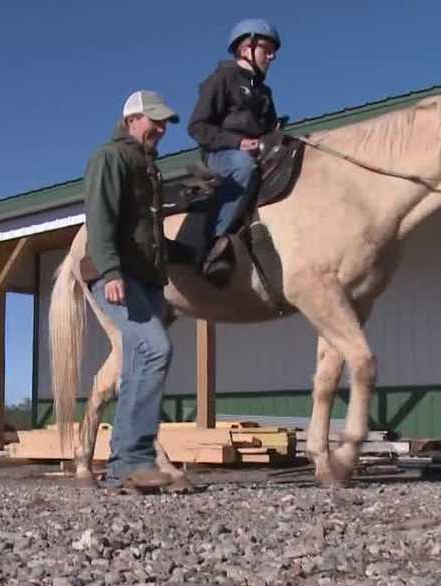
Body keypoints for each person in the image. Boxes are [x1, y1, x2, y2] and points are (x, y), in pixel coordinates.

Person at [83, 90, 184, 492]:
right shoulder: (111, 158)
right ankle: (136, 459)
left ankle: (123, 466)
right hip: (116, 275)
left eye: (164, 123)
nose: (160, 129)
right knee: (156, 349)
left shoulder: (148, 168)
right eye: (153, 121)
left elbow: (150, 236)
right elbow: (100, 218)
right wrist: (110, 271)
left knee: (139, 364)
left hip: (145, 278)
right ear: (131, 121)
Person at [188, 18, 282, 282]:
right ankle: (213, 244)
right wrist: (238, 143)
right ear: (246, 49)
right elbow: (197, 127)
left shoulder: (264, 92)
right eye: (267, 49)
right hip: (222, 155)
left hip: (256, 152)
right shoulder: (222, 79)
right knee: (243, 166)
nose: (272, 56)